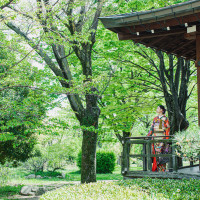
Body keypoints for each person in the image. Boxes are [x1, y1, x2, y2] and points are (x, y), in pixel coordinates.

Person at [147, 105, 170, 172]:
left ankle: (162, 169)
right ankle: (156, 168)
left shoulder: (165, 118)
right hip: (155, 137)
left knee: (161, 153)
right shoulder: (155, 118)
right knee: (155, 153)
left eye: (158, 108)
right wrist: (148, 135)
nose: (157, 109)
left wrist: (166, 138)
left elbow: (167, 128)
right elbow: (151, 128)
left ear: (162, 110)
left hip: (162, 137)